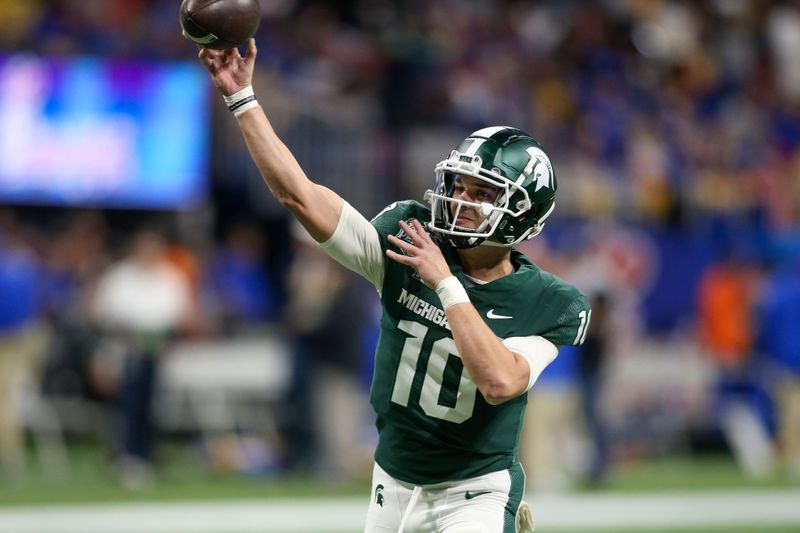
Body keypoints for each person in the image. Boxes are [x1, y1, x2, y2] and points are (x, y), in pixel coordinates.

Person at [198, 39, 590, 533]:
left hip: (474, 493)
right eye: (461, 187)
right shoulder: (410, 235)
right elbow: (300, 198)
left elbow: (499, 383)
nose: (462, 201)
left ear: (522, 214)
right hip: (391, 485)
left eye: (484, 194)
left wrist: (446, 283)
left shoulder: (548, 300)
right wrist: (242, 99)